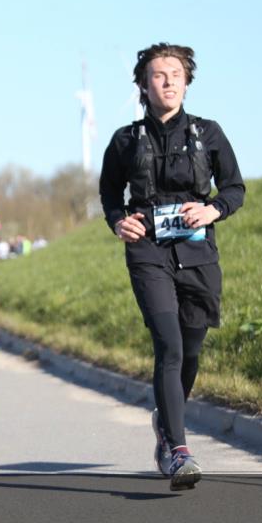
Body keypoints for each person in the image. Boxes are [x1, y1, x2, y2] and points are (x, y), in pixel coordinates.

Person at [99, 43, 245, 490]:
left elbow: (235, 188)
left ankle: (166, 421)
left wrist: (213, 209)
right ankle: (178, 450)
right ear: (143, 85)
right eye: (159, 75)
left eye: (176, 74)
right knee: (169, 344)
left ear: (187, 81)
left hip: (198, 252)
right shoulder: (125, 140)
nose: (168, 82)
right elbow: (109, 196)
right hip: (149, 253)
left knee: (192, 350)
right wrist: (119, 222)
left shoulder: (210, 133)